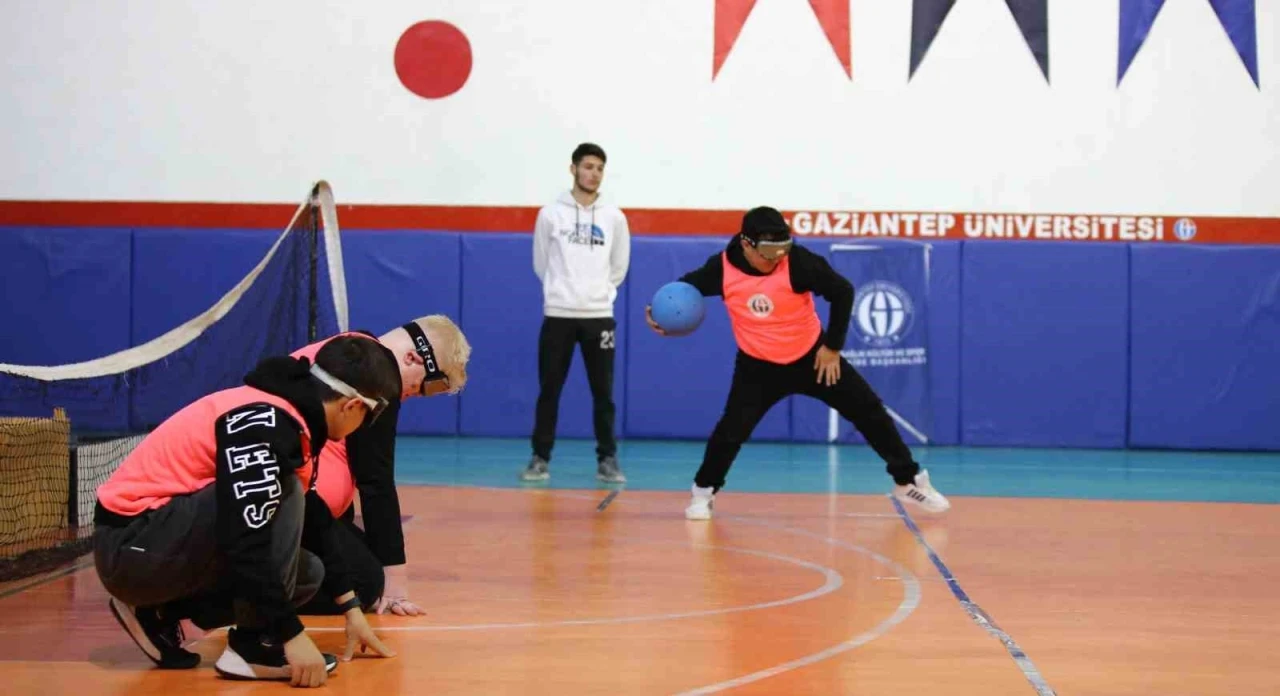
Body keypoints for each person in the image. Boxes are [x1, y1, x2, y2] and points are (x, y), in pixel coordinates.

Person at [93, 336, 400, 686]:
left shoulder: (289, 413)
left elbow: (315, 518)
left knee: (307, 573)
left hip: (152, 540)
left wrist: (351, 607)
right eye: (371, 416)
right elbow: (247, 538)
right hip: (130, 546)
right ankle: (251, 649)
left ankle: (158, 612)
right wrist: (290, 635)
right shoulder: (267, 425)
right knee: (283, 493)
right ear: (352, 406)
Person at [644, 206, 951, 520]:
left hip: (814, 359)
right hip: (758, 368)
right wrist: (660, 315)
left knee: (869, 410)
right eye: (767, 253)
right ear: (747, 244)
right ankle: (702, 492)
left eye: (781, 251)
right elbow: (684, 291)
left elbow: (842, 291)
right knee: (730, 432)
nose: (775, 259)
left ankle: (907, 481)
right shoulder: (722, 269)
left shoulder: (798, 263)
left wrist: (831, 347)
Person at [291, 315, 470, 617]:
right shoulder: (378, 373)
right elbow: (375, 480)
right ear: (413, 357)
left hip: (291, 499)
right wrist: (395, 585)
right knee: (365, 585)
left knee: (363, 560)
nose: (413, 394)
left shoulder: (350, 344)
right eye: (424, 386)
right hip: (291, 503)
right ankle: (247, 592)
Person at [523, 142, 631, 484]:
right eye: (587, 166)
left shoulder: (614, 217)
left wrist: (600, 295)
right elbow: (541, 263)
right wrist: (561, 293)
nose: (594, 174)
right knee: (550, 389)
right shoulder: (550, 215)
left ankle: (608, 459)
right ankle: (540, 458)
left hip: (599, 315)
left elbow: (619, 266)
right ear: (573, 169)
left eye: (599, 168)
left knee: (604, 392)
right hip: (559, 314)